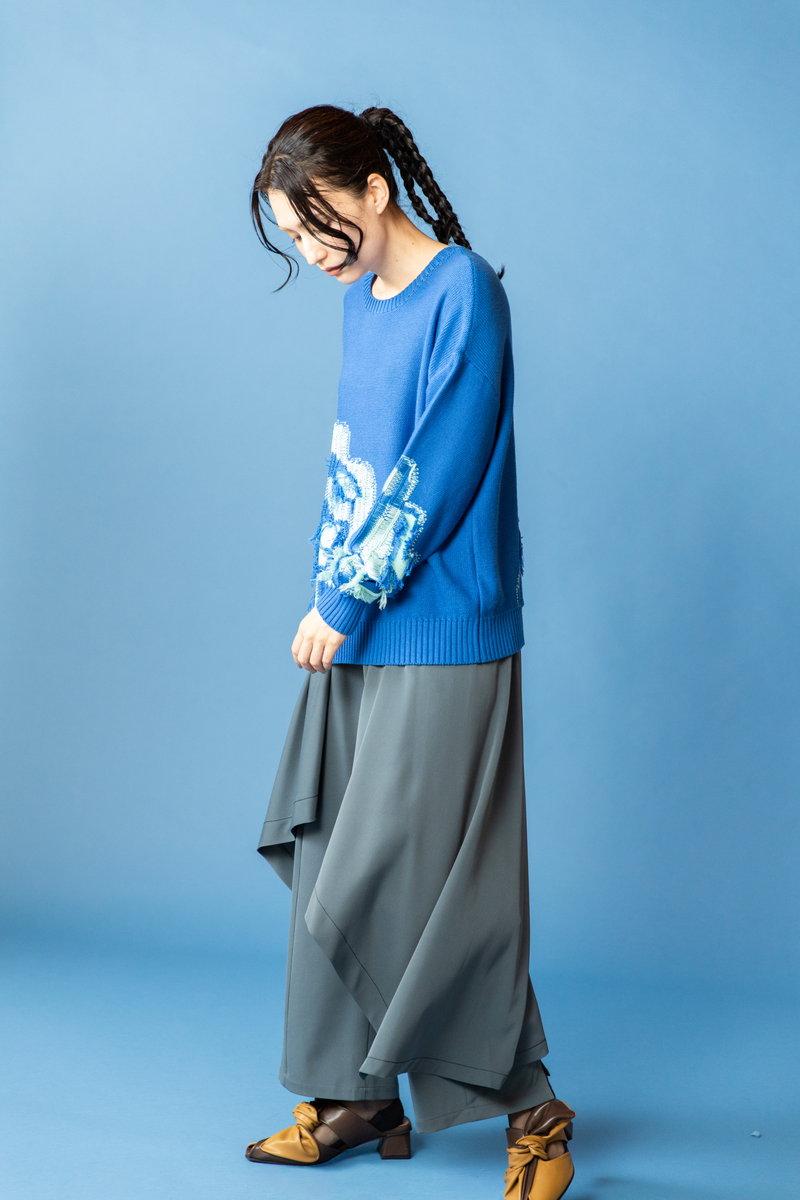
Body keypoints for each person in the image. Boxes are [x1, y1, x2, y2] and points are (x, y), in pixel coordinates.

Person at [245, 103, 577, 1200]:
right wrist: (328, 593)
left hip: (440, 627)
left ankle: (533, 1109)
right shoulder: (366, 301)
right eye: (292, 235)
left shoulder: (463, 291)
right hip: (357, 621)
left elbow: (437, 468)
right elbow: (355, 463)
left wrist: (341, 598)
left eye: (315, 225)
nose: (309, 251)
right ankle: (359, 1097)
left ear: (373, 192)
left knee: (417, 879)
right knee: (331, 850)